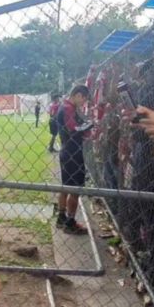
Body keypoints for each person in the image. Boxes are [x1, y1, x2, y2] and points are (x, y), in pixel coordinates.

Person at [55, 85, 93, 235]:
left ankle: (61, 217)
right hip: (72, 152)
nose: (83, 103)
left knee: (65, 186)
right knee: (74, 189)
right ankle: (70, 222)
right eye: (83, 99)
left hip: (68, 150)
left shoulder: (66, 107)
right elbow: (73, 128)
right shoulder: (68, 108)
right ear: (78, 95)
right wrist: (89, 125)